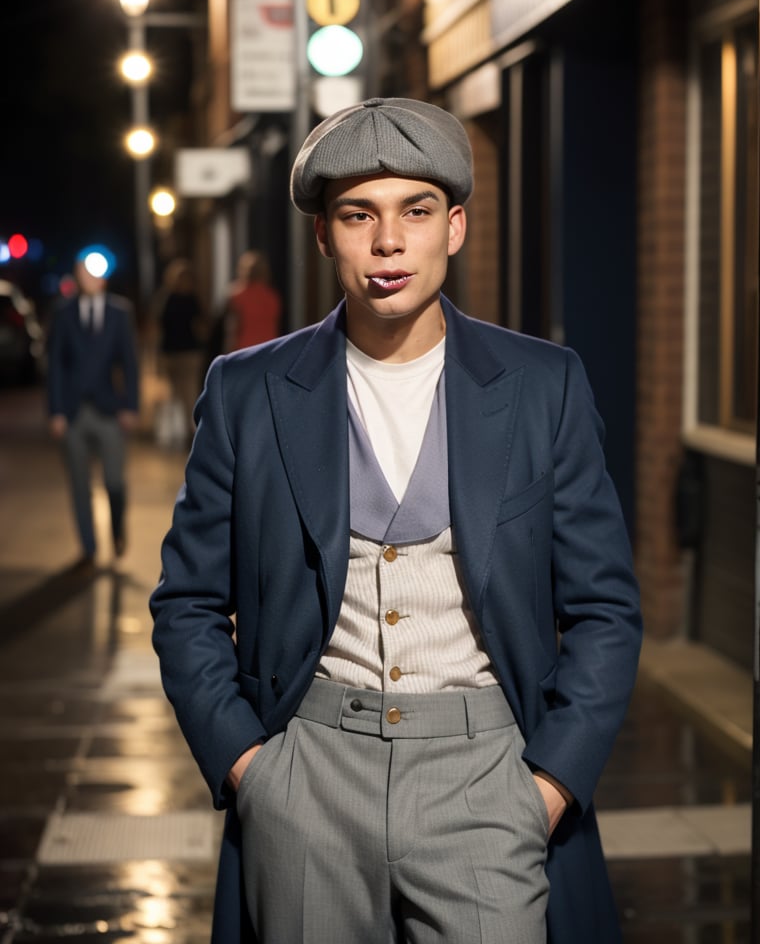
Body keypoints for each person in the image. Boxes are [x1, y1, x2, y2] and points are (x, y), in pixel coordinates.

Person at [150, 97, 642, 944]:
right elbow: (186, 602)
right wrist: (250, 768)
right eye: (358, 215)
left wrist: (548, 786)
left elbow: (606, 607)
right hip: (307, 778)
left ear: (454, 226)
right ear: (323, 235)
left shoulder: (542, 385)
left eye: (415, 211)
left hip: (488, 776)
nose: (387, 243)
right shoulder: (246, 390)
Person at [47, 257, 140, 567]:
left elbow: (129, 361)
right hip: (73, 412)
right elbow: (56, 364)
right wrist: (56, 410)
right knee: (79, 484)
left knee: (114, 480)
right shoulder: (63, 313)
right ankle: (88, 548)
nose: (85, 278)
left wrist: (131, 405)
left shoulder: (119, 312)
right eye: (80, 272)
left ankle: (117, 529)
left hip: (109, 409)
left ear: (102, 279)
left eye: (91, 273)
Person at [154, 258, 205, 447]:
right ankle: (180, 432)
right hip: (176, 352)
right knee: (177, 394)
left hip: (186, 352)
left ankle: (189, 432)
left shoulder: (176, 299)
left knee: (187, 393)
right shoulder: (172, 299)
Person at [224, 249, 282, 351]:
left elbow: (232, 328)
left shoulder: (236, 294)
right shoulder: (272, 296)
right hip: (269, 348)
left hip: (244, 350)